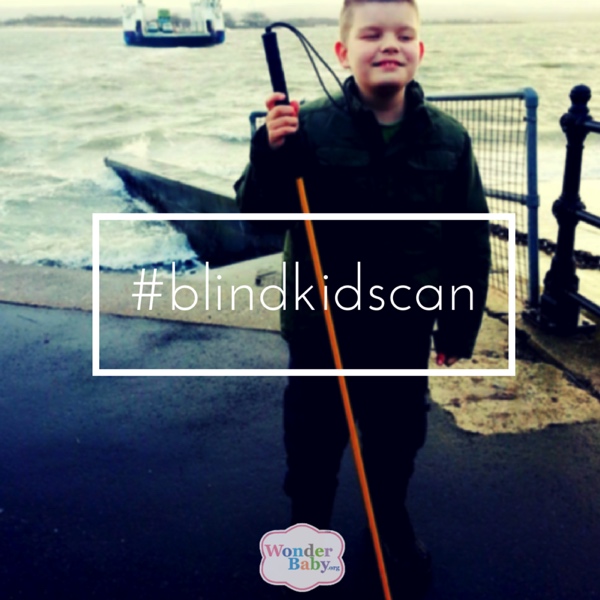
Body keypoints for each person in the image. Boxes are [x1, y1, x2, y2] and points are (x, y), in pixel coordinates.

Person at [235, 0, 491, 595]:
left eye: (404, 34)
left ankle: (390, 521)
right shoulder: (308, 128)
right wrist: (267, 154)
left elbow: (468, 240)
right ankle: (308, 531)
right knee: (312, 438)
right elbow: (257, 217)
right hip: (320, 326)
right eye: (372, 34)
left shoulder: (449, 141)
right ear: (344, 52)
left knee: (397, 436)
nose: (390, 45)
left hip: (401, 331)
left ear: (420, 52)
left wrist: (456, 327)